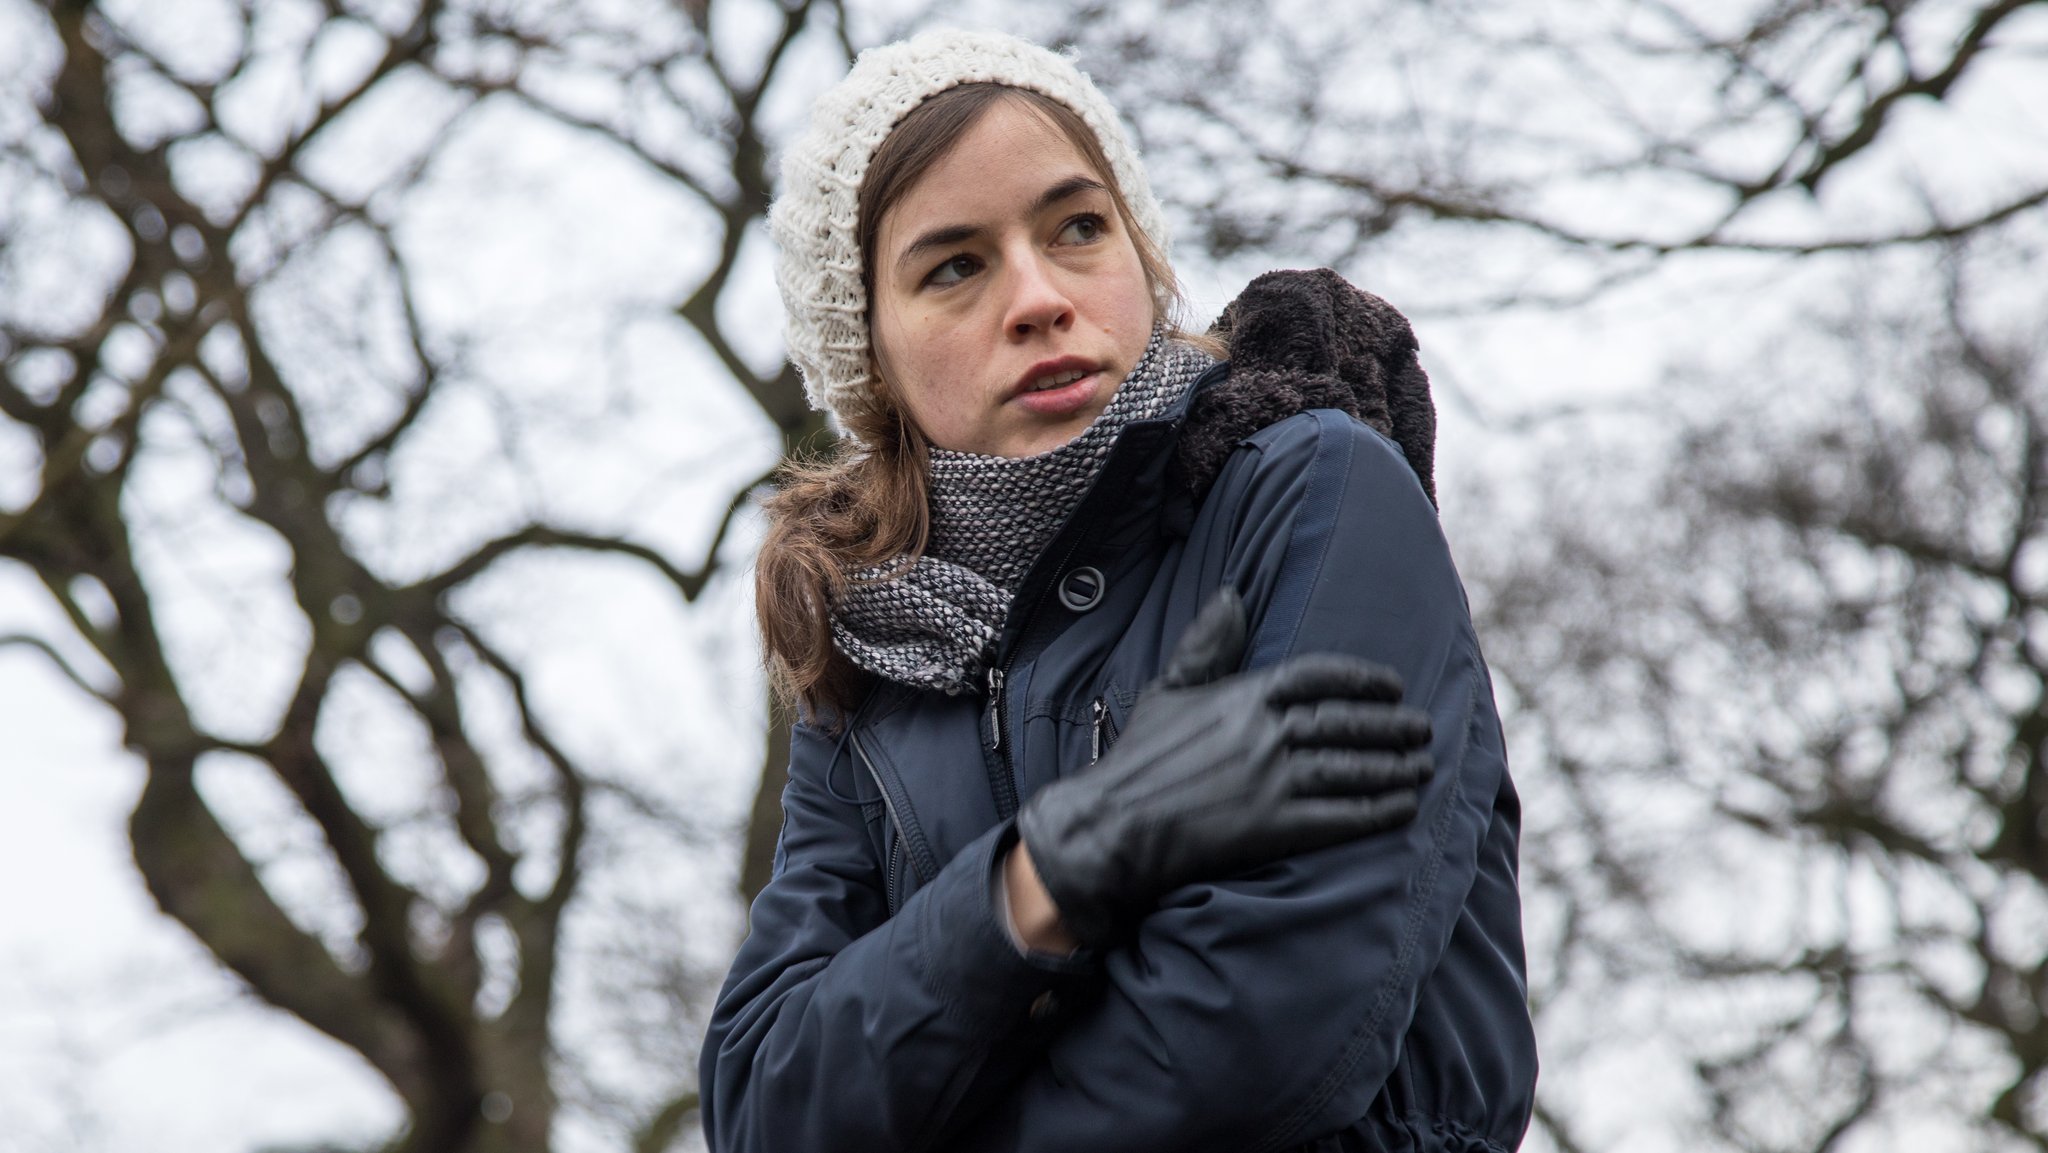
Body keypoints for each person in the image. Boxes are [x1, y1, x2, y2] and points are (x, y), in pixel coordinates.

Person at [700, 28, 1537, 1153]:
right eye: (954, 265)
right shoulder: (872, 665)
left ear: (1138, 255)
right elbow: (764, 1108)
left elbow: (1256, 1046)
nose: (1039, 297)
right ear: (872, 360)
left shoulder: (1314, 486)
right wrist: (1043, 874)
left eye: (1076, 228)